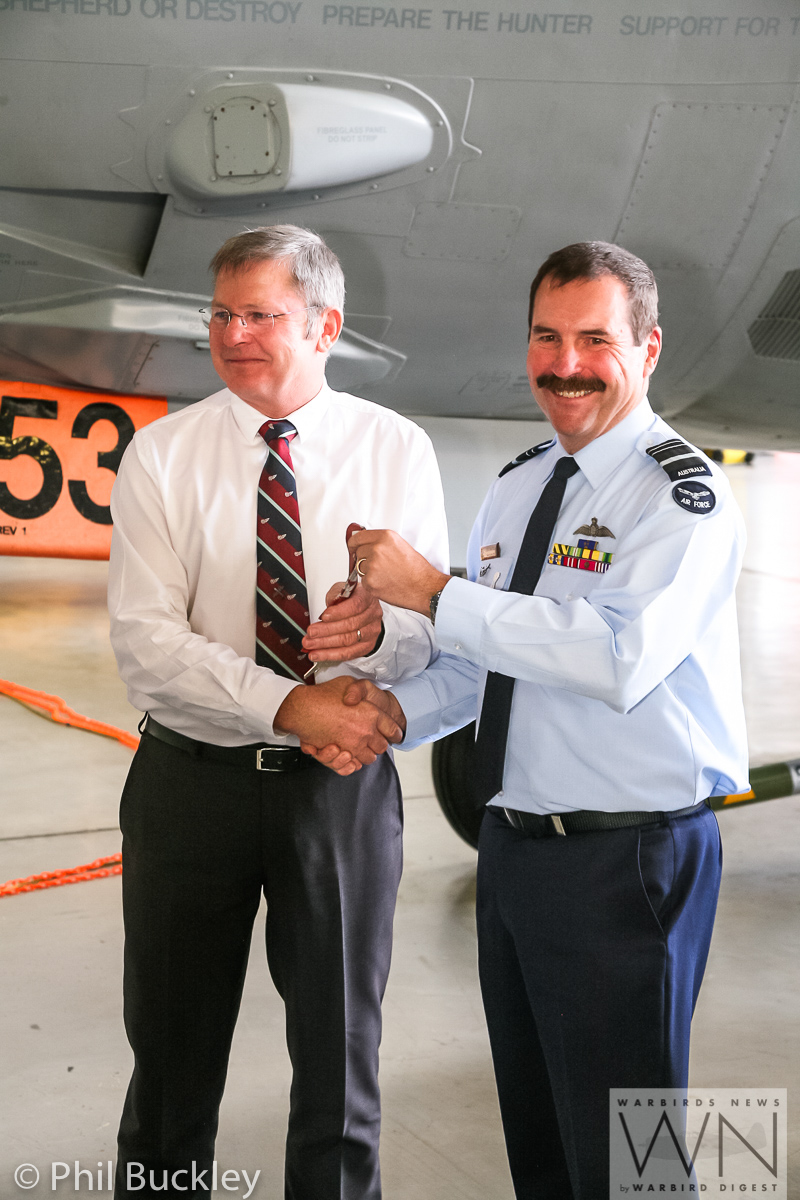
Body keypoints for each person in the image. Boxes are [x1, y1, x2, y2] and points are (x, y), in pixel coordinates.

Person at [307, 242, 749, 1199]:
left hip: (628, 859)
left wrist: (432, 589)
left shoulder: (682, 496)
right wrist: (387, 714)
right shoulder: (521, 483)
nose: (565, 363)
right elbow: (487, 663)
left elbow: (612, 655)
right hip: (517, 853)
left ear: (649, 347)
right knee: (541, 1136)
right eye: (547, 337)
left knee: (632, 1161)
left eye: (595, 338)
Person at [107, 224, 449, 1200]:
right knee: (169, 1072)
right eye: (221, 312)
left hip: (335, 796)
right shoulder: (163, 456)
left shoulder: (395, 451)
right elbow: (149, 644)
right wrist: (295, 704)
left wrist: (370, 670)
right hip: (188, 790)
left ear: (324, 324)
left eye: (261, 313)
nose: (233, 333)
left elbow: (425, 626)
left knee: (341, 1079)